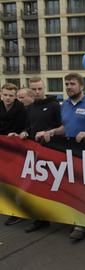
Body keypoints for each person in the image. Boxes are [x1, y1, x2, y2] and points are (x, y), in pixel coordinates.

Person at [36, 73, 85, 242]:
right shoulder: (64, 105)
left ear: (81, 86)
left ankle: (82, 224)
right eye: (66, 84)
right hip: (69, 152)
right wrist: (52, 131)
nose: (68, 87)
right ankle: (76, 219)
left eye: (72, 84)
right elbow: (65, 127)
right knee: (73, 187)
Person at [8, 77, 62, 232]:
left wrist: (50, 133)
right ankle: (40, 219)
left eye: (40, 88)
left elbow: (62, 127)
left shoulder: (54, 106)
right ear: (30, 90)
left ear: (44, 88)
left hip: (52, 151)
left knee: (55, 187)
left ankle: (60, 216)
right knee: (36, 187)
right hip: (33, 153)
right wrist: (24, 133)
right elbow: (28, 127)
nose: (37, 92)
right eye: (34, 89)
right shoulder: (30, 108)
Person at [1, 83, 27, 226]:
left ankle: (16, 212)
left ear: (15, 96)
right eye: (5, 95)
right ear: (1, 94)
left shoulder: (21, 109)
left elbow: (25, 127)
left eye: (11, 96)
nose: (8, 98)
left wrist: (20, 134)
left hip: (15, 149)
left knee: (14, 182)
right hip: (1, 148)